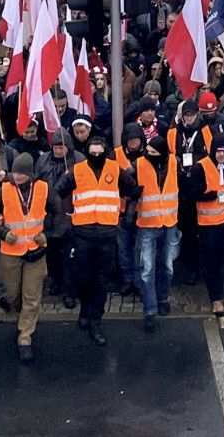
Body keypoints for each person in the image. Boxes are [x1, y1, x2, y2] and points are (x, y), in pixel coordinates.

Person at [57, 131, 136, 344]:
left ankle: (95, 321)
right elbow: (57, 192)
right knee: (83, 278)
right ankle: (85, 310)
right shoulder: (77, 170)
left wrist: (122, 209)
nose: (96, 156)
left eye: (100, 153)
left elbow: (132, 187)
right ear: (87, 153)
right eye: (92, 153)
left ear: (105, 153)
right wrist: (65, 215)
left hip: (107, 235)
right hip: (82, 234)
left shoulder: (114, 168)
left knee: (102, 281)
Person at [0, 153, 48, 362]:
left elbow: (58, 214)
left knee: (32, 296)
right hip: (11, 251)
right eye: (15, 173)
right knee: (13, 295)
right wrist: (2, 232)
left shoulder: (44, 188)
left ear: (30, 174)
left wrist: (49, 233)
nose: (18, 177)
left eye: (22, 174)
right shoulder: (3, 190)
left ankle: (25, 336)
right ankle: (22, 317)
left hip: (36, 252)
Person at [186, 134, 224, 316]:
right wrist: (209, 195)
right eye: (218, 151)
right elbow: (192, 193)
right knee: (212, 262)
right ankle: (216, 298)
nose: (222, 155)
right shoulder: (200, 167)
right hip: (210, 224)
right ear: (213, 151)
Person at [131, 135, 181, 326]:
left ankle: (162, 299)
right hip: (147, 223)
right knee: (147, 269)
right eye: (148, 151)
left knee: (167, 267)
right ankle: (150, 308)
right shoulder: (138, 164)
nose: (148, 154)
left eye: (153, 152)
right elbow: (127, 182)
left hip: (169, 222)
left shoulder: (174, 164)